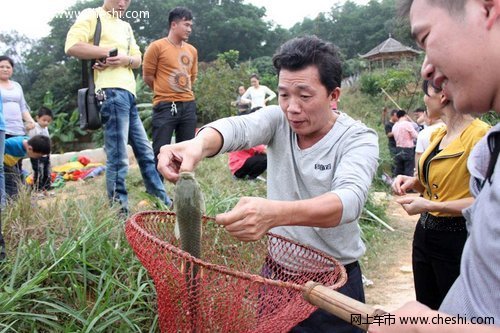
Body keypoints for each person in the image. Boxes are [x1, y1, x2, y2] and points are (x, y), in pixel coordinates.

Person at [158, 35, 379, 333]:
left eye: (304, 95)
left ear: (333, 95)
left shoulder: (357, 139)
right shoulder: (278, 121)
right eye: (284, 94)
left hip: (335, 283)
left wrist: (275, 214)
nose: (292, 108)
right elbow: (239, 127)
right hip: (276, 281)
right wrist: (198, 145)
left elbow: (348, 201)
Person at [369, 0, 500, 331]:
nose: (426, 70)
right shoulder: (491, 151)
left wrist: (425, 325)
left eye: (426, 38)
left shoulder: (480, 139)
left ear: (488, 8)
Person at [65, 0, 172, 215]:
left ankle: (162, 202)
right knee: (118, 156)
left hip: (129, 95)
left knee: (146, 152)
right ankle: (118, 212)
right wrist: (107, 52)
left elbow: (138, 59)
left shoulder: (126, 26)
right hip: (110, 93)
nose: (123, 3)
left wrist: (123, 59)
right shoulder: (92, 15)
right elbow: (72, 46)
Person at [392, 79, 490, 310]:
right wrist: (413, 182)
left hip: (456, 239)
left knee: (453, 314)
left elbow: (485, 200)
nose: (424, 100)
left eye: (426, 94)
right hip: (425, 235)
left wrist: (428, 205)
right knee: (427, 306)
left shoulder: (481, 138)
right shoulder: (439, 135)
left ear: (442, 96)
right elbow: (435, 184)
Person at [143, 6, 198, 170]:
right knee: (160, 151)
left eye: (190, 26)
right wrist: (164, 92)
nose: (189, 29)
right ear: (173, 25)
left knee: (187, 151)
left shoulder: (192, 50)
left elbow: (192, 77)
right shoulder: (156, 47)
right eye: (186, 25)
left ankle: (184, 189)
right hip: (165, 106)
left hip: (188, 105)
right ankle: (157, 192)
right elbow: (148, 76)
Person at [0, 55, 36, 189]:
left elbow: (22, 107)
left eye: (8, 67)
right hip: (3, 130)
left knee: (17, 166)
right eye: (1, 67)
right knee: (5, 167)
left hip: (18, 131)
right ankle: (8, 197)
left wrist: (30, 121)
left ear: (12, 69)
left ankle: (18, 197)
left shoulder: (16, 86)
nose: (5, 69)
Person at [4, 135, 50, 200]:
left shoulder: (30, 142)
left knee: (23, 183)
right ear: (30, 149)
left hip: (9, 165)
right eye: (37, 156)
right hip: (3, 166)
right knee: (12, 185)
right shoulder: (10, 144)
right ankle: (10, 204)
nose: (38, 158)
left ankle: (26, 201)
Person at [414, 84, 445, 171]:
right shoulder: (451, 129)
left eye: (426, 93)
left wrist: (417, 175)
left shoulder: (424, 133)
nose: (424, 98)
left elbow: (419, 156)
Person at [28, 106, 53, 192]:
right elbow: (30, 141)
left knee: (47, 170)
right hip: (36, 154)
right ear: (37, 118)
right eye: (44, 120)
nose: (46, 123)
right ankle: (37, 187)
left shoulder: (45, 128)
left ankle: (47, 186)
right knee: (38, 171)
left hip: (45, 154)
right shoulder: (34, 127)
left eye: (48, 121)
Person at [392, 110, 418, 177]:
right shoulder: (407, 124)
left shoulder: (395, 126)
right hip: (408, 149)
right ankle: (408, 187)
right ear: (405, 115)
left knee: (399, 169)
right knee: (409, 169)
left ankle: (398, 184)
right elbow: (416, 135)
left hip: (398, 149)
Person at [384, 109, 399, 177]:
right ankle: (393, 175)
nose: (397, 117)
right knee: (394, 160)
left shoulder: (399, 123)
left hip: (399, 144)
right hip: (392, 145)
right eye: (396, 116)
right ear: (392, 116)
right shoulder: (388, 124)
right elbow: (388, 134)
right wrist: (396, 131)